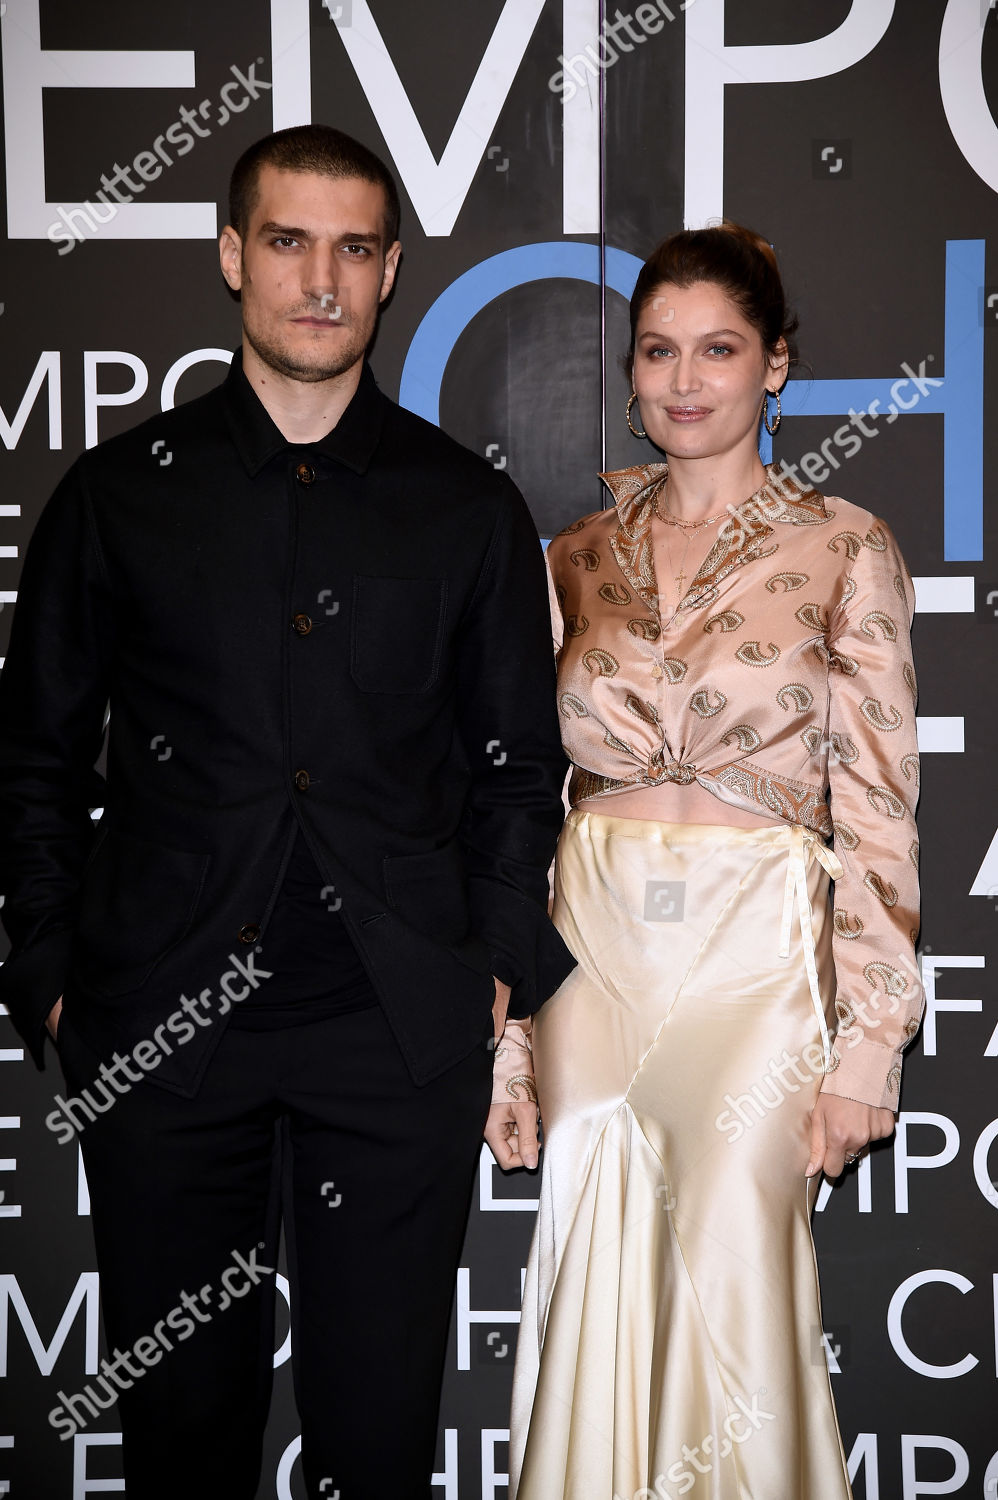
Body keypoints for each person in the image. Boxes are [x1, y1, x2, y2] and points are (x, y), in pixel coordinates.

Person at [0, 124, 574, 1499]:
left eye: (355, 248)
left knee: (375, 1444)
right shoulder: (115, 503)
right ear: (229, 255)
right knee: (182, 1446)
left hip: (392, 1037)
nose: (321, 279)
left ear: (388, 273)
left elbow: (514, 768)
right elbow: (33, 761)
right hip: (162, 1042)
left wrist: (488, 973)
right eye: (288, 240)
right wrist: (56, 989)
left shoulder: (463, 509)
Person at [505, 222, 924, 1499]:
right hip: (589, 954)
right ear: (629, 372)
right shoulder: (571, 560)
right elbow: (526, 804)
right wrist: (506, 1036)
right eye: (657, 352)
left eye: (719, 350)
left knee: (737, 1277)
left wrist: (868, 1045)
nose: (684, 380)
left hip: (756, 963)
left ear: (775, 366)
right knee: (588, 1264)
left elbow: (881, 810)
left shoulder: (844, 545)